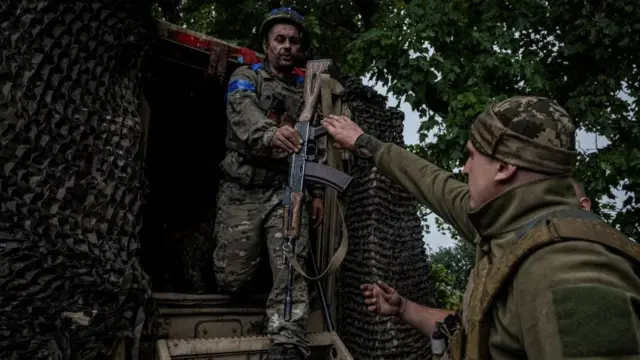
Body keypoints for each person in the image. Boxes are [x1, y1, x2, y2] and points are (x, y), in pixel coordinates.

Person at [322, 96, 640, 360]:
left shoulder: (567, 266)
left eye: (473, 156)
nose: (465, 167)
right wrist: (366, 143)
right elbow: (434, 184)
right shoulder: (507, 225)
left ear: (504, 168)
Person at [213, 7, 324, 360]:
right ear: (266, 44)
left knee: (292, 257)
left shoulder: (307, 91)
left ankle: (288, 339)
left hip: (284, 190)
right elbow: (243, 116)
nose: (287, 46)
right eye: (280, 39)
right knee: (232, 281)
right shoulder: (246, 77)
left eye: (293, 40)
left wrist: (316, 192)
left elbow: (317, 145)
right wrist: (272, 134)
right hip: (241, 190)